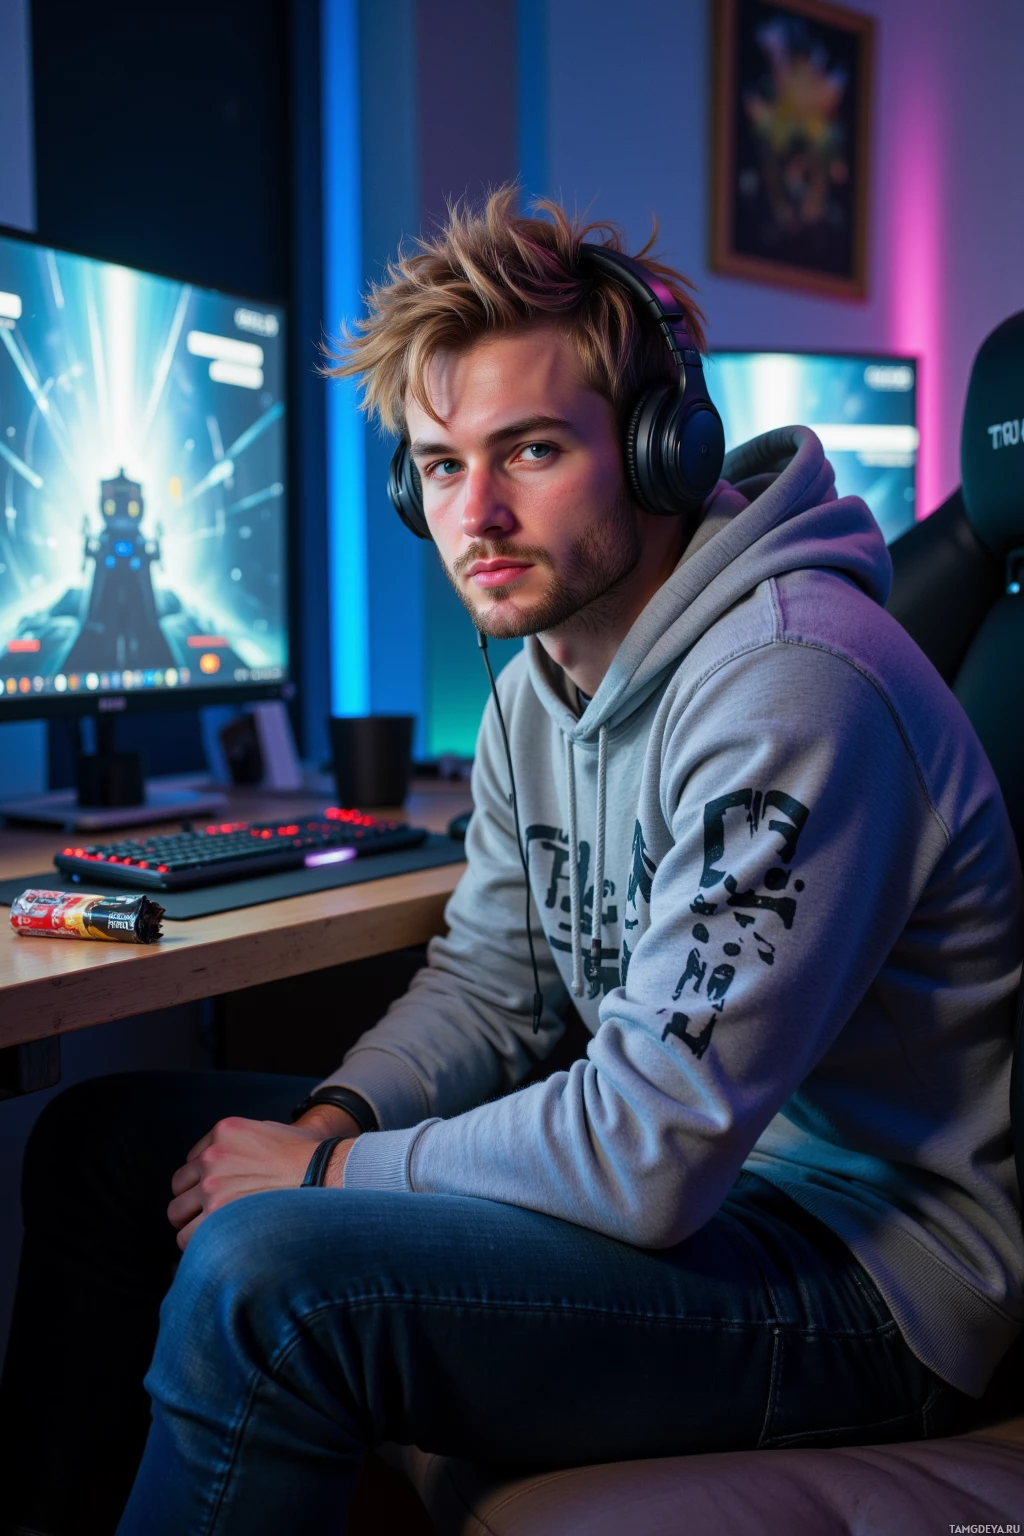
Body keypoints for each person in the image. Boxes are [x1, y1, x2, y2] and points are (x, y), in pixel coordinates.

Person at [2, 188, 1022, 1536]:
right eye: (437, 463)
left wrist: (318, 1184)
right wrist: (336, 1121)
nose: (472, 516)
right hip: (716, 1192)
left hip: (865, 1272)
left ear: (665, 448)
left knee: (270, 1280)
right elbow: (493, 984)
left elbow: (651, 1145)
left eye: (529, 451)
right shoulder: (540, 675)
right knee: (103, 1142)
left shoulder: (795, 687)